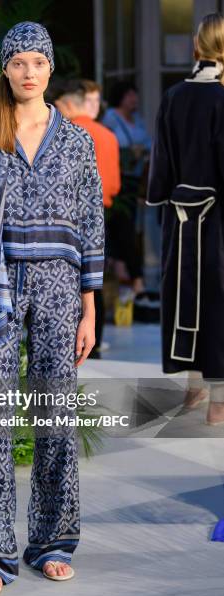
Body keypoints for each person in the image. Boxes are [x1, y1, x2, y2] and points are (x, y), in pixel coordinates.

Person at [0, 22, 104, 596]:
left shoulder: (76, 142)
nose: (29, 72)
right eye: (18, 62)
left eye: (38, 62)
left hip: (59, 283)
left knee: (56, 418)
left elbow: (90, 224)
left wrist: (89, 307)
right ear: (5, 69)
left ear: (50, 69)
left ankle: (52, 542)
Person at [146, 12, 224, 541]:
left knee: (186, 295)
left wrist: (162, 207)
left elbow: (162, 162)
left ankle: (196, 389)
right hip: (219, 219)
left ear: (198, 44)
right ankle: (218, 402)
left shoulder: (175, 97)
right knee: (219, 301)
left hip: (180, 215)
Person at [54, 78, 121, 356]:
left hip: (65, 215)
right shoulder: (108, 135)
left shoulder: (61, 133)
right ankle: (93, 341)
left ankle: (63, 340)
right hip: (100, 213)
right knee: (94, 278)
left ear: (69, 104)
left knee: (63, 278)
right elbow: (115, 185)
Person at [102, 81, 151, 295]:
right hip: (118, 177)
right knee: (123, 228)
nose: (134, 99)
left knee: (129, 226)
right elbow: (106, 143)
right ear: (121, 96)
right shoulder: (111, 118)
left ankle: (125, 273)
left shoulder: (138, 120)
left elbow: (149, 143)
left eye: (135, 95)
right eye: (130, 94)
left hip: (135, 178)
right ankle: (132, 276)